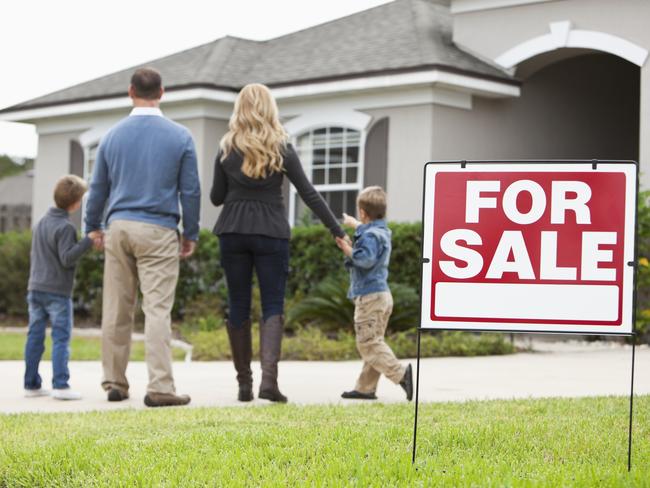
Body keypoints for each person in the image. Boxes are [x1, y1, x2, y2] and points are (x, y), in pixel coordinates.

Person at [210, 83, 346, 403]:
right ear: (270, 108)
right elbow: (308, 192)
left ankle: (244, 385)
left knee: (238, 303)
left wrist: (237, 188)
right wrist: (336, 231)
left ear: (239, 108)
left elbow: (216, 198)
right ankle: (268, 382)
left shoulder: (226, 148)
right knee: (273, 304)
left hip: (232, 229)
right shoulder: (281, 147)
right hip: (271, 231)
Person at [85, 67, 201, 408]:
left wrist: (92, 226)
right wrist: (190, 233)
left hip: (119, 227)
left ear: (130, 91)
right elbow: (190, 191)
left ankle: (115, 383)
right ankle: (161, 386)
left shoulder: (112, 136)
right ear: (162, 92)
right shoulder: (180, 136)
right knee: (157, 310)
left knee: (117, 309)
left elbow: (97, 189)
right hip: (159, 229)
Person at [24, 175, 100, 401]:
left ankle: (31, 384)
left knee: (34, 337)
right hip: (57, 292)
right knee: (60, 338)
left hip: (35, 289)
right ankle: (60, 384)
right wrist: (88, 240)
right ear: (76, 203)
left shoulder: (41, 223)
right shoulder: (65, 227)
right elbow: (67, 258)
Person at [335, 186, 413, 401]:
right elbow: (369, 236)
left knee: (367, 343)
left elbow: (364, 259)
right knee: (374, 340)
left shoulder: (370, 235)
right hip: (381, 295)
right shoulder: (381, 231)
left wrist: (347, 248)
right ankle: (365, 388)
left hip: (370, 296)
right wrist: (356, 226)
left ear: (362, 211)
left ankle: (401, 374)